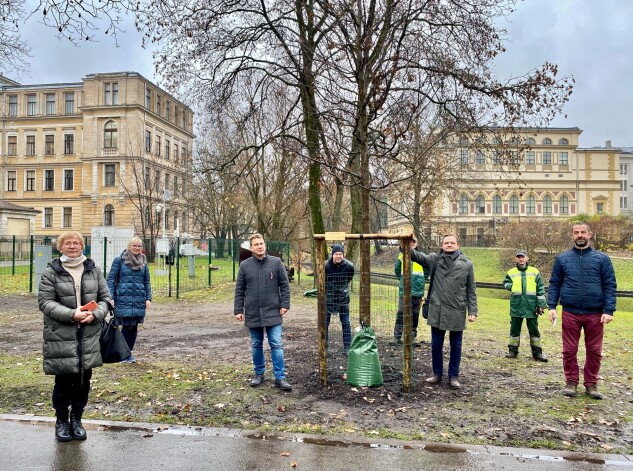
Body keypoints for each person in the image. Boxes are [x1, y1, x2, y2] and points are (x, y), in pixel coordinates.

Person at [38, 231, 111, 442]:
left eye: (76, 243)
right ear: (60, 247)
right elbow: (45, 302)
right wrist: (72, 314)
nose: (72, 246)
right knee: (62, 382)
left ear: (82, 246)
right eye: (67, 243)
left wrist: (96, 314)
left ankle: (77, 419)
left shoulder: (93, 270)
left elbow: (106, 298)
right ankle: (61, 421)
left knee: (83, 381)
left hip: (89, 336)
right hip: (61, 336)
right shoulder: (51, 272)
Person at [548, 223, 616, 399]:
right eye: (576, 232)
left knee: (594, 350)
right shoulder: (562, 259)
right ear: (572, 236)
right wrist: (552, 307)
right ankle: (571, 382)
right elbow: (555, 283)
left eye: (583, 232)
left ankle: (591, 384)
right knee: (569, 350)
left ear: (590, 235)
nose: (580, 235)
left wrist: (609, 310)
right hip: (570, 312)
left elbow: (609, 285)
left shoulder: (602, 259)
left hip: (595, 313)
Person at [411, 234, 477, 389]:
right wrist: (410, 246)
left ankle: (453, 376)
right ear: (441, 245)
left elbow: (471, 290)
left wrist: (472, 310)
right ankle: (437, 374)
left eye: (452, 242)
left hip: (457, 309)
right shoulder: (435, 259)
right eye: (446, 243)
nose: (449, 245)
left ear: (458, 245)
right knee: (435, 345)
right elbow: (416, 256)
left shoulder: (467, 264)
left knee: (456, 346)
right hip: (437, 309)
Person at [234, 233, 292, 391]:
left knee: (276, 344)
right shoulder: (245, 266)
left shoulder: (276, 262)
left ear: (265, 245)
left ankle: (280, 377)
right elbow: (239, 290)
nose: (259, 246)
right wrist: (238, 309)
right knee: (256, 344)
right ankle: (259, 374)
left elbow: (284, 286)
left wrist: (285, 304)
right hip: (253, 312)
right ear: (251, 248)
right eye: (256, 244)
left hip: (273, 311)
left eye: (261, 243)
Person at [107, 237, 152, 363]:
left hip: (138, 299)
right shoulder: (119, 261)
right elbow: (111, 279)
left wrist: (148, 297)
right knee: (126, 326)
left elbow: (146, 281)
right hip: (123, 298)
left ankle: (127, 354)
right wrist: (111, 297)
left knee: (133, 327)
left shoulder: (144, 262)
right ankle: (122, 354)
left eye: (139, 246)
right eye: (134, 245)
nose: (137, 248)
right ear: (129, 246)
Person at [502, 250, 548, 362]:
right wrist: (511, 286)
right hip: (516, 305)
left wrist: (541, 305)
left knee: (534, 330)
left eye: (523, 257)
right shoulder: (511, 272)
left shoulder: (534, 271)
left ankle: (537, 353)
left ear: (527, 258)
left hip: (531, 306)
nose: (521, 259)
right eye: (519, 257)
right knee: (514, 329)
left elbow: (540, 289)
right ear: (516, 259)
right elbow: (505, 283)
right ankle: (512, 351)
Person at [391, 237, 425, 347]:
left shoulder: (421, 257)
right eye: (409, 241)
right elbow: (397, 271)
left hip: (417, 291)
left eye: (413, 241)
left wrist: (421, 281)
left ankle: (412, 337)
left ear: (417, 243)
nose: (411, 243)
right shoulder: (401, 256)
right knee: (401, 313)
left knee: (415, 315)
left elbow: (427, 270)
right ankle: (397, 337)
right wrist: (403, 281)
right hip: (404, 291)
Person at [324, 244, 355, 354]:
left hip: (343, 298)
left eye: (340, 254)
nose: (338, 256)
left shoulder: (349, 266)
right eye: (336, 254)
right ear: (332, 255)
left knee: (345, 322)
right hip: (328, 298)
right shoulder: (325, 266)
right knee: (324, 323)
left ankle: (347, 347)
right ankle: (324, 347)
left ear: (343, 255)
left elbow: (349, 278)